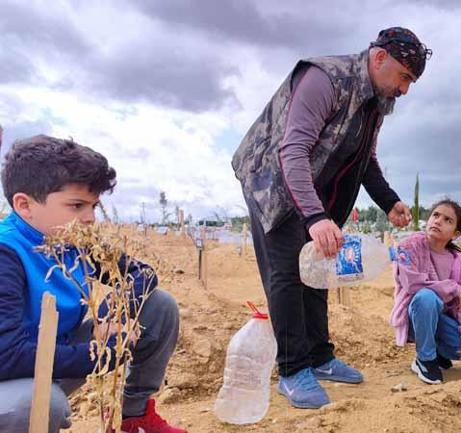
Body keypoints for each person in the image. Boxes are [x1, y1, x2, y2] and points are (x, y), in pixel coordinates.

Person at [231, 26, 431, 409]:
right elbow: (293, 151)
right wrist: (314, 217)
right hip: (273, 182)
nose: (406, 89)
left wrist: (388, 201)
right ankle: (292, 371)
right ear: (379, 59)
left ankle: (320, 358)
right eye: (405, 77)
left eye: (412, 82)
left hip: (315, 194)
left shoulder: (377, 102)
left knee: (319, 270)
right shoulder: (324, 79)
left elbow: (364, 158)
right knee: (288, 274)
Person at [0, 135, 185, 433]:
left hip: (51, 354)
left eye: (94, 207)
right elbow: (6, 355)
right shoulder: (7, 252)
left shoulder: (73, 240)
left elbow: (142, 274)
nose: (90, 219)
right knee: (38, 405)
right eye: (77, 206)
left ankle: (133, 416)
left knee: (159, 306)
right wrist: (105, 350)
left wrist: (111, 314)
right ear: (25, 205)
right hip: (8, 373)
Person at [390, 200, 461, 384]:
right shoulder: (408, 247)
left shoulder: (457, 260)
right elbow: (412, 284)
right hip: (414, 316)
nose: (438, 221)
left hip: (442, 319)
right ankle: (425, 359)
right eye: (435, 215)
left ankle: (438, 351)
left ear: (456, 233)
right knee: (427, 297)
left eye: (447, 220)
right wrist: (452, 287)